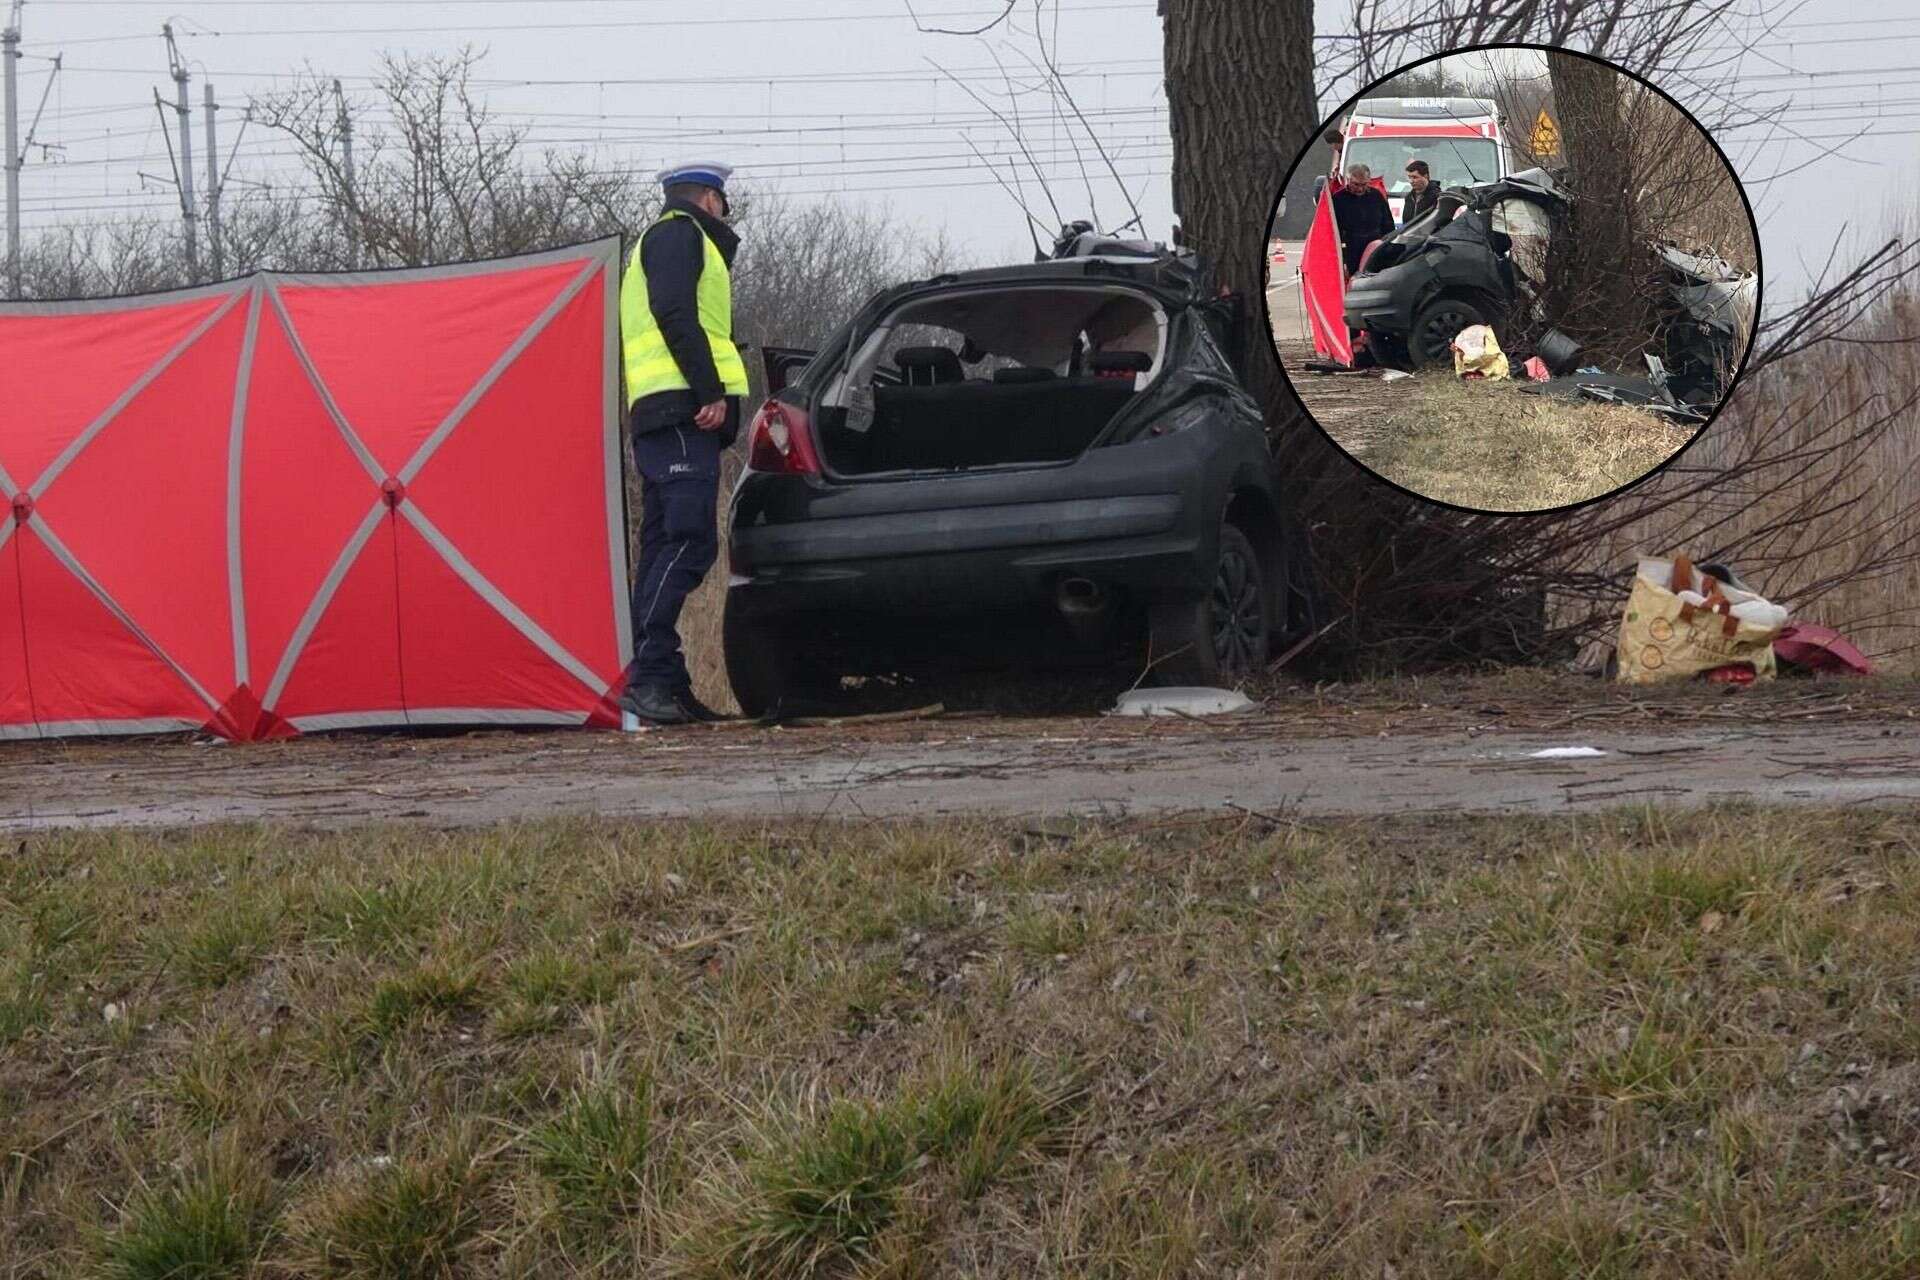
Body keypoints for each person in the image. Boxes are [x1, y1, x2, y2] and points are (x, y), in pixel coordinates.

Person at [619, 162, 748, 726]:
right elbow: (676, 313)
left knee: (663, 545)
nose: (725, 210)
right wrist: (710, 391)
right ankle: (650, 678)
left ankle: (661, 683)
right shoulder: (678, 233)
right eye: (722, 200)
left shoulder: (664, 239)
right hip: (681, 408)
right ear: (707, 198)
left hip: (665, 410)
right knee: (688, 541)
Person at [1330, 163, 1394, 280]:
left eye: (1364, 184)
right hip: (1351, 249)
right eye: (1356, 184)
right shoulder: (1338, 199)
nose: (1360, 189)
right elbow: (1334, 232)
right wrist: (1342, 261)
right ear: (1348, 180)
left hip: (1375, 248)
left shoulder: (1376, 196)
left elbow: (1388, 224)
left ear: (1369, 181)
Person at [1402, 159, 1440, 226]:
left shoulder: (1438, 197)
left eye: (1414, 177)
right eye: (1409, 177)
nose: (1411, 181)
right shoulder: (1409, 198)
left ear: (1425, 176)